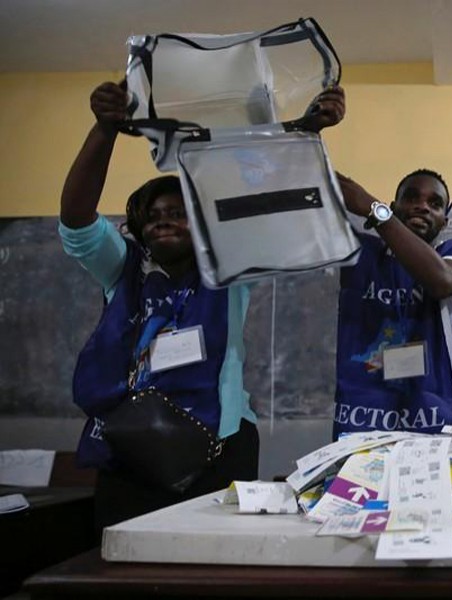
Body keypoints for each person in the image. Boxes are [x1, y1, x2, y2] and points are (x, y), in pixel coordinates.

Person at [60, 80, 344, 531]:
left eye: (177, 214)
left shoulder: (230, 266)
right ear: (137, 228)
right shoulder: (124, 268)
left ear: (200, 224)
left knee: (209, 564)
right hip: (130, 443)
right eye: (153, 217)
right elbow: (76, 222)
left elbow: (280, 207)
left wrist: (303, 133)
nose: (164, 222)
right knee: (123, 558)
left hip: (220, 442)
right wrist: (104, 130)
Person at [331, 170, 452, 438]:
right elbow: (313, 203)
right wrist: (308, 138)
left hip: (431, 429)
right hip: (360, 425)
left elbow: (441, 280)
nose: (422, 206)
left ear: (445, 220)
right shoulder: (362, 253)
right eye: (411, 198)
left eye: (435, 204)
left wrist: (375, 211)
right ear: (395, 207)